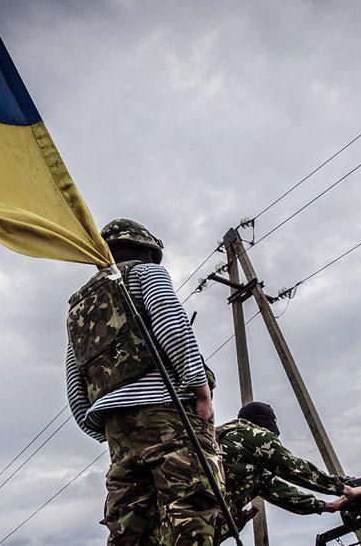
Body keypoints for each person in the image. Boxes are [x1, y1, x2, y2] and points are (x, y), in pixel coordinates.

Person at [65, 218, 222, 545]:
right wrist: (201, 390)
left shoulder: (79, 308)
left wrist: (103, 427)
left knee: (130, 527)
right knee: (191, 508)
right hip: (165, 414)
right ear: (147, 250)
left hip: (115, 431)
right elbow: (172, 325)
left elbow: (75, 379)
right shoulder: (145, 273)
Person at [213, 402, 361, 543]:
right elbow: (293, 468)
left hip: (195, 523)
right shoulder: (252, 434)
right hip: (198, 520)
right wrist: (346, 490)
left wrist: (328, 506)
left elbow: (283, 494)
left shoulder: (222, 439)